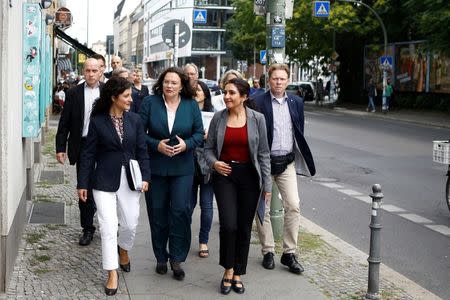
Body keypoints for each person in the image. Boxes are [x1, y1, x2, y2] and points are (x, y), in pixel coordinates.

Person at [77, 76, 150, 296]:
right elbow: (88, 154)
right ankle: (112, 272)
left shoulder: (135, 120)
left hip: (130, 179)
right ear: (114, 97)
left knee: (130, 223)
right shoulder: (98, 121)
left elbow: (142, 151)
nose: (130, 99)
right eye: (126, 96)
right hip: (103, 180)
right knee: (108, 227)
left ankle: (124, 249)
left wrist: (145, 176)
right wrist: (83, 183)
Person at [204, 77, 271, 295]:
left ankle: (238, 272)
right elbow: (208, 148)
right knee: (229, 225)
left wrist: (267, 185)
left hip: (249, 176)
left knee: (244, 226)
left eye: (232, 93)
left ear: (244, 96)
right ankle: (228, 269)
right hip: (225, 175)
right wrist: (215, 162)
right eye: (225, 92)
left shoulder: (257, 119)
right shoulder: (218, 117)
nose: (226, 97)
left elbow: (263, 153)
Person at [139, 67, 203, 280]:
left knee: (180, 212)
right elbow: (139, 133)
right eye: (166, 82)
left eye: (174, 83)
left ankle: (176, 258)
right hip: (156, 168)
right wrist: (156, 145)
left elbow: (199, 135)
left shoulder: (191, 105)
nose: (169, 86)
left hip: (183, 169)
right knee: (157, 213)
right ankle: (160, 257)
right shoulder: (150, 103)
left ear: (182, 85)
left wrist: (186, 145)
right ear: (161, 83)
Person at [254, 63, 316, 275]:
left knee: (294, 205)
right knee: (263, 208)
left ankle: (289, 252)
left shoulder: (296, 102)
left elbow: (299, 130)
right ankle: (268, 250)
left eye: (282, 79)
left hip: (286, 162)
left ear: (288, 81)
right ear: (268, 80)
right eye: (275, 78)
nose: (278, 82)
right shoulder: (257, 102)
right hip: (265, 163)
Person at [55, 58, 104, 246]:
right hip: (83, 146)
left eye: (94, 71)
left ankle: (108, 222)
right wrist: (61, 147)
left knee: (105, 185)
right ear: (84, 71)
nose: (91, 74)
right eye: (88, 71)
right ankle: (87, 228)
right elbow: (64, 121)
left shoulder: (107, 93)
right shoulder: (74, 93)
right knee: (84, 187)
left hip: (104, 146)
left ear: (100, 71)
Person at [190, 80, 214, 258]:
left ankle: (203, 241)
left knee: (206, 206)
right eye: (194, 90)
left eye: (199, 90)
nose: (196, 92)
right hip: (190, 162)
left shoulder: (215, 114)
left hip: (207, 163)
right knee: (187, 206)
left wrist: (209, 136)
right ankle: (183, 238)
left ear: (205, 93)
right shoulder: (186, 111)